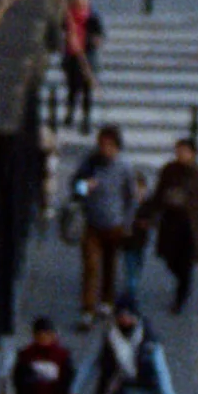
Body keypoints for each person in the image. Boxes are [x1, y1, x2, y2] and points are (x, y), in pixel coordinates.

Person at [74, 125, 143, 326]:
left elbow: (131, 197)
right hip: (92, 224)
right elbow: (74, 187)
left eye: (110, 145)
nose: (106, 149)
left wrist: (128, 223)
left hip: (114, 225)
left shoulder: (125, 167)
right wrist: (85, 186)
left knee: (110, 265)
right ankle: (87, 309)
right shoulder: (90, 163)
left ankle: (107, 300)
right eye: (102, 144)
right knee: (91, 267)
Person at [147, 134, 198, 313]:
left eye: (185, 151)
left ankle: (181, 296)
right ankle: (181, 282)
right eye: (179, 151)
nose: (181, 155)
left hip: (190, 224)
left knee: (186, 263)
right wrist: (152, 214)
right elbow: (159, 193)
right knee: (170, 259)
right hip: (171, 221)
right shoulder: (169, 170)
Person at [59, 0, 103, 132]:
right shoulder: (67, 17)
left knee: (86, 91)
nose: (80, 5)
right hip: (72, 58)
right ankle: (70, 115)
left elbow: (99, 38)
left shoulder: (93, 18)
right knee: (72, 89)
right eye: (77, 3)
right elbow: (60, 33)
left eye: (83, 3)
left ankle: (86, 119)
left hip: (87, 58)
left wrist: (88, 41)